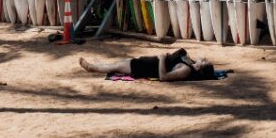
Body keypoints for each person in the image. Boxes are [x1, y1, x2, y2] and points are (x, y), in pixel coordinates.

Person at [79, 48, 215, 82]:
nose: (203, 59)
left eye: (204, 61)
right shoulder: (189, 62)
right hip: (147, 62)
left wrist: (162, 58)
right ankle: (97, 66)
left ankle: (92, 68)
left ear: (200, 67)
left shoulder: (186, 70)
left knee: (115, 66)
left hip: (146, 68)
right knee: (119, 63)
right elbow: (201, 58)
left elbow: (164, 77)